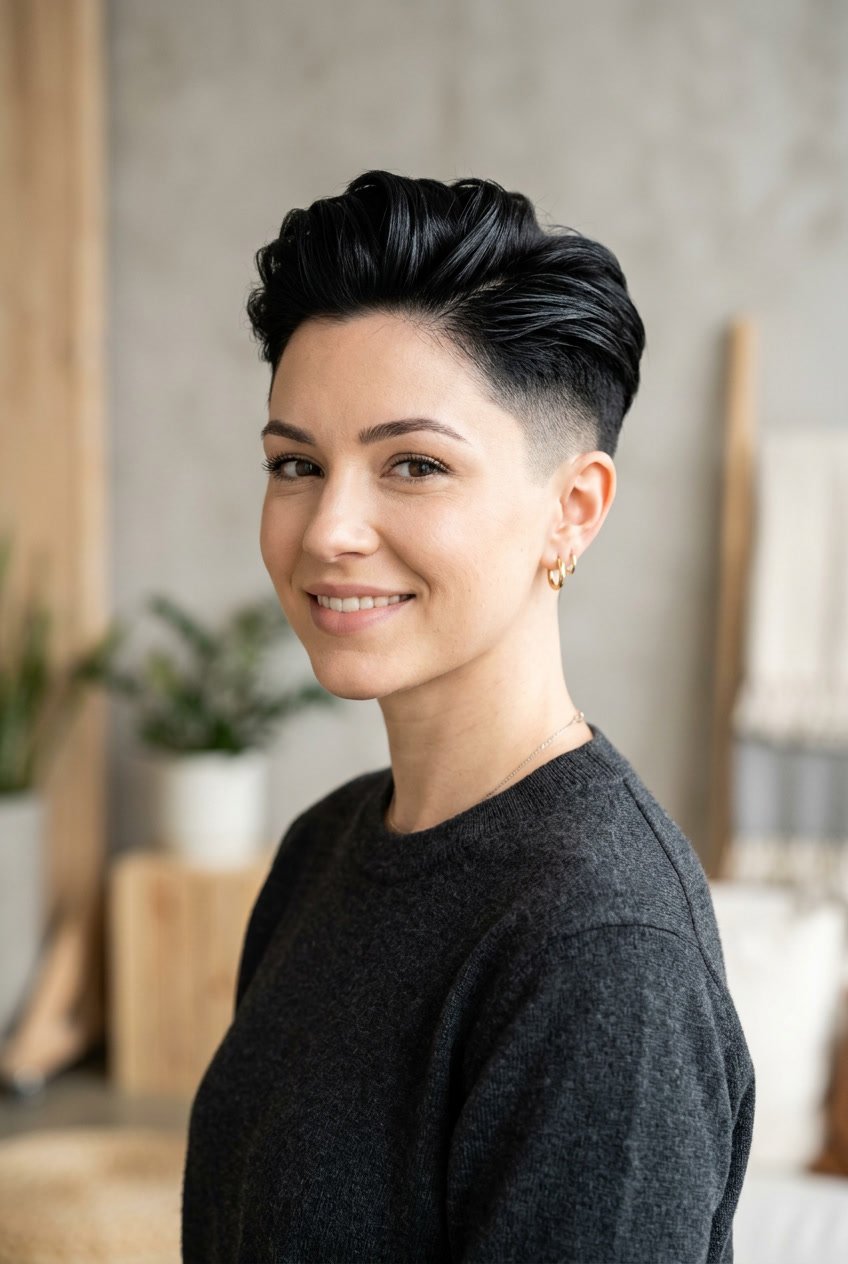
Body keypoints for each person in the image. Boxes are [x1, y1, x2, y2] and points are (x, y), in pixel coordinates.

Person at [181, 169, 755, 1263]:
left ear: (570, 510)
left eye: (413, 464)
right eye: (295, 463)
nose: (328, 530)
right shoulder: (326, 846)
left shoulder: (597, 951)